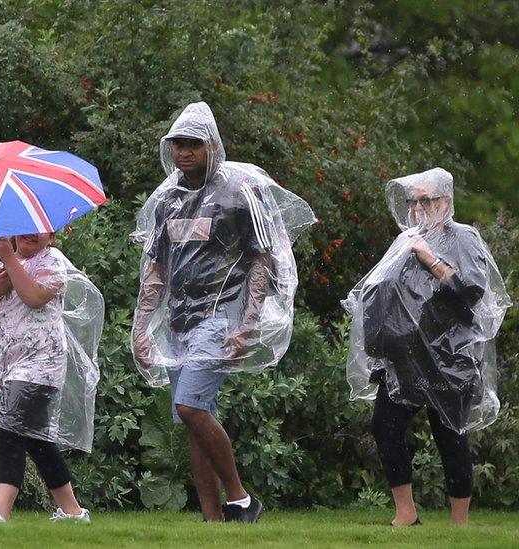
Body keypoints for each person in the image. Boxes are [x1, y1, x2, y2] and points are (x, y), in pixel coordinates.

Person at [131, 102, 314, 522]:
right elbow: (156, 268)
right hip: (179, 321)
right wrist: (142, 326)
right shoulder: (168, 202)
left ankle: (241, 499)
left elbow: (262, 261)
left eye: (193, 144)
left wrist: (248, 323)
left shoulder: (237, 194)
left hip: (221, 316)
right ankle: (213, 521)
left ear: (212, 145)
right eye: (178, 144)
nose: (185, 152)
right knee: (195, 419)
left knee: (190, 407)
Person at [342, 168, 511, 526]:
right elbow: (386, 289)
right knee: (385, 426)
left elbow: (471, 293)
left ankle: (458, 523)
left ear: (445, 202)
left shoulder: (463, 238)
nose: (418, 207)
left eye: (426, 200)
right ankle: (406, 513)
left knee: (449, 434)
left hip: (450, 358)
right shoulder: (407, 239)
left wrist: (429, 259)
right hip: (404, 358)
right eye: (413, 201)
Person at [0, 234, 102, 523]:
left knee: (10, 427)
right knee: (36, 439)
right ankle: (73, 512)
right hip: (6, 366)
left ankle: (1, 510)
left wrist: (9, 259)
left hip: (42, 363)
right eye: (25, 226)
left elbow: (34, 298)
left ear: (51, 235)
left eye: (39, 227)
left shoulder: (52, 262)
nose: (31, 233)